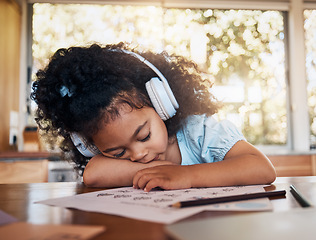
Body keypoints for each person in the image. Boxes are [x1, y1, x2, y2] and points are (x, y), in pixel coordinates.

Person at [31, 42, 276, 192]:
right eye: (117, 153)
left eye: (144, 135)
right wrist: (162, 169)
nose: (138, 155)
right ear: (87, 146)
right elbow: (93, 174)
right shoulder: (117, 156)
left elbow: (262, 168)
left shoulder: (199, 132)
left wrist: (186, 175)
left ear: (161, 103)